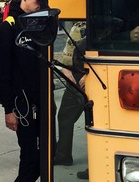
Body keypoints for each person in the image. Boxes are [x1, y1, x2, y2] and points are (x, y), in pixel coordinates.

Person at [0, 0, 42, 182]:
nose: (40, 3)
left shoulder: (37, 24)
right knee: (30, 157)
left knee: (47, 151)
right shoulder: (8, 28)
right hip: (22, 104)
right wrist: (9, 109)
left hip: (41, 100)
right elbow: (1, 73)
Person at [55, 22, 87, 168]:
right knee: (65, 117)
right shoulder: (79, 26)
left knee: (93, 121)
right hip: (78, 78)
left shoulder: (80, 27)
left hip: (84, 78)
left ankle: (64, 155)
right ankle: (63, 155)